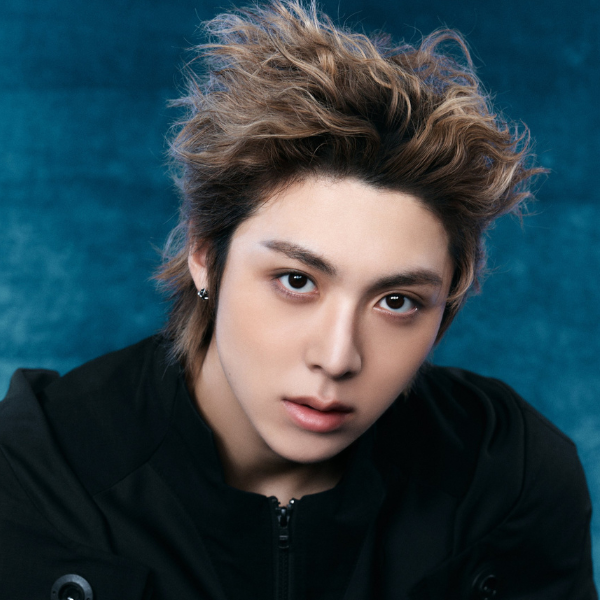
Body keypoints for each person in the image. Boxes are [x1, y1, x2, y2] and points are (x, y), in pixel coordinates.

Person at [0, 1, 596, 599]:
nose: (337, 358)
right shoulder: (33, 478)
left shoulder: (507, 480)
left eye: (396, 301)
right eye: (296, 281)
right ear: (205, 254)